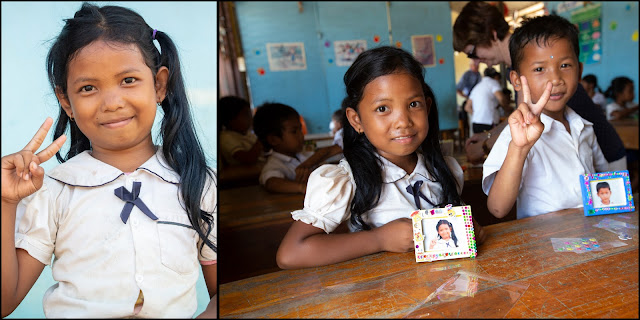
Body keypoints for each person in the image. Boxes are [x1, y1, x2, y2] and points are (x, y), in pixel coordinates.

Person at [0, 3, 217, 318]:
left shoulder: (197, 182)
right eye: (88, 88)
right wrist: (6, 203)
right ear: (67, 102)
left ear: (159, 84)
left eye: (128, 80)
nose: (112, 103)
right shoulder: (54, 190)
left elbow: (221, 295)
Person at [276, 46, 486, 269]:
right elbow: (290, 254)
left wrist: (470, 231)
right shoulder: (347, 180)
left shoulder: (444, 170)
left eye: (413, 104)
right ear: (356, 120)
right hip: (383, 297)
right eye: (383, 108)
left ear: (428, 106)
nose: (403, 121)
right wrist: (379, 239)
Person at [454, 1, 626, 171]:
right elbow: (523, 114)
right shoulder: (519, 68)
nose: (475, 61)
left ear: (492, 34)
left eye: (472, 53)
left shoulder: (526, 65)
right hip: (583, 151)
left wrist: (484, 146)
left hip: (600, 151)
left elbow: (526, 118)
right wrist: (488, 135)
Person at [482, 15, 609, 219]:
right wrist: (519, 148)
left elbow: (604, 178)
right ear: (516, 80)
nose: (555, 79)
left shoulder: (584, 127)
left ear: (580, 71)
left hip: (591, 239)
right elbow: (498, 208)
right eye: (539, 69)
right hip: (544, 245)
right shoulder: (516, 136)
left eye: (565, 65)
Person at [253, 102, 342, 194]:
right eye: (294, 131)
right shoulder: (274, 165)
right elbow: (272, 183)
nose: (301, 135)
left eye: (300, 129)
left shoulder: (306, 155)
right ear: (274, 140)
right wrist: (302, 187)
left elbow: (329, 152)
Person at [218, 96, 264, 166]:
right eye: (246, 115)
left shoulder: (248, 133)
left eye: (250, 115)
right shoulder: (226, 138)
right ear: (230, 119)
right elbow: (248, 159)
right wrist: (261, 135)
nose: (250, 118)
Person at [464, 67, 510, 134]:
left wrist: (479, 114)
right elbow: (501, 98)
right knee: (491, 143)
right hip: (488, 123)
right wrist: (507, 108)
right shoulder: (493, 82)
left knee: (479, 144)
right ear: (496, 76)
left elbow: (467, 107)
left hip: (476, 123)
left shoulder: (477, 87)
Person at [456, 59, 482, 138]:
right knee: (472, 122)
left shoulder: (479, 75)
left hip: (478, 102)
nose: (477, 66)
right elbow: (458, 89)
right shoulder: (467, 74)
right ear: (471, 66)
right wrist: (467, 97)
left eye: (478, 65)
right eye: (475, 65)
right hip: (470, 101)